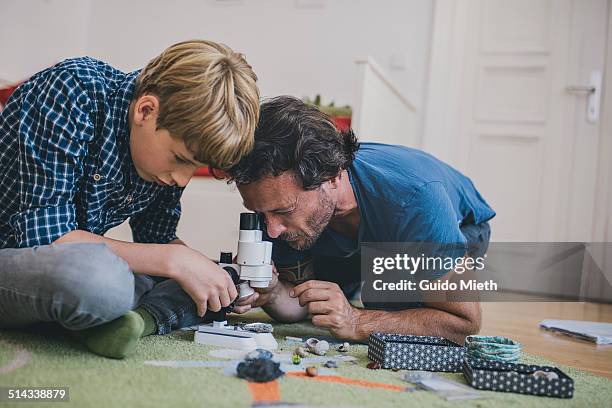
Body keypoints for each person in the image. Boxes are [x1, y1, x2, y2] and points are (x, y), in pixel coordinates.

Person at [0, 40, 260, 358]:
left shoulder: (160, 152)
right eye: (180, 159)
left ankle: (130, 321)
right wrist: (174, 260)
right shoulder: (74, 90)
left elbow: (156, 238)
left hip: (67, 274)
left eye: (195, 166)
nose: (181, 179)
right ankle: (97, 312)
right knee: (99, 280)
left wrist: (215, 276)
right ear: (146, 110)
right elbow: (45, 237)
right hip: (18, 257)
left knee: (207, 281)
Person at [229, 96, 495, 345]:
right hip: (349, 232)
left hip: (458, 224)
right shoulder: (279, 211)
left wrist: (357, 320)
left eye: (284, 211)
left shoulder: (415, 201)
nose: (272, 231)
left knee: (385, 303)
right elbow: (300, 303)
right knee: (328, 301)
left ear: (332, 177)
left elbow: (464, 323)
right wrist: (273, 293)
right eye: (260, 213)